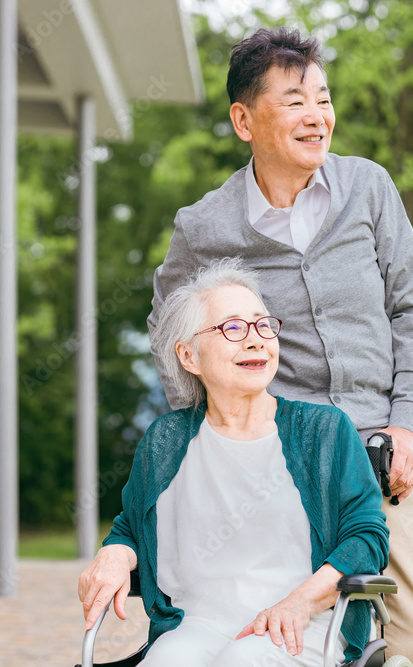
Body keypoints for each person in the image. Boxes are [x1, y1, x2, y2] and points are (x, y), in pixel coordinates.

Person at [146, 27, 413, 667]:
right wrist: (219, 431)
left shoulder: (368, 188)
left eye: (323, 98)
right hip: (282, 471)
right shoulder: (205, 225)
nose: (317, 116)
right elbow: (172, 331)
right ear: (244, 119)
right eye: (294, 100)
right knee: (280, 643)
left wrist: (410, 424)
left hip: (384, 459)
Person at [79, 261, 389, 666]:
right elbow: (132, 526)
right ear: (189, 356)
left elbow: (366, 539)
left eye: (263, 326)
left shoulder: (323, 431)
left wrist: (299, 603)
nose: (257, 340)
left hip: (305, 624)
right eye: (233, 328)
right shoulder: (166, 440)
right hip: (198, 624)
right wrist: (115, 553)